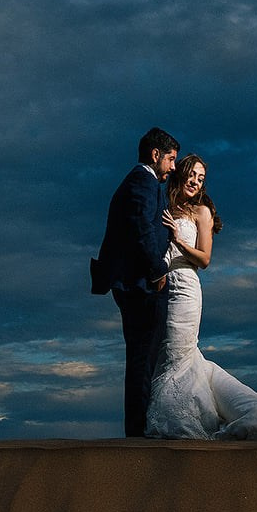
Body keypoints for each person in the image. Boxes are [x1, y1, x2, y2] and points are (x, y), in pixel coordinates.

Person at [145, 155, 257, 441]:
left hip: (186, 289)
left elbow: (205, 259)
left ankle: (184, 421)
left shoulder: (201, 212)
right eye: (193, 175)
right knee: (169, 355)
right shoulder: (165, 206)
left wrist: (178, 241)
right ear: (181, 173)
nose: (196, 182)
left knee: (179, 353)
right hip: (163, 290)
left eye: (201, 179)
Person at [91, 127, 178, 437]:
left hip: (137, 284)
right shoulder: (142, 182)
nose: (172, 167)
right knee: (143, 359)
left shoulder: (141, 182)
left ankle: (138, 431)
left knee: (143, 357)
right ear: (155, 155)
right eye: (170, 159)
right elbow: (142, 231)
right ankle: (138, 435)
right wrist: (158, 273)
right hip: (141, 286)